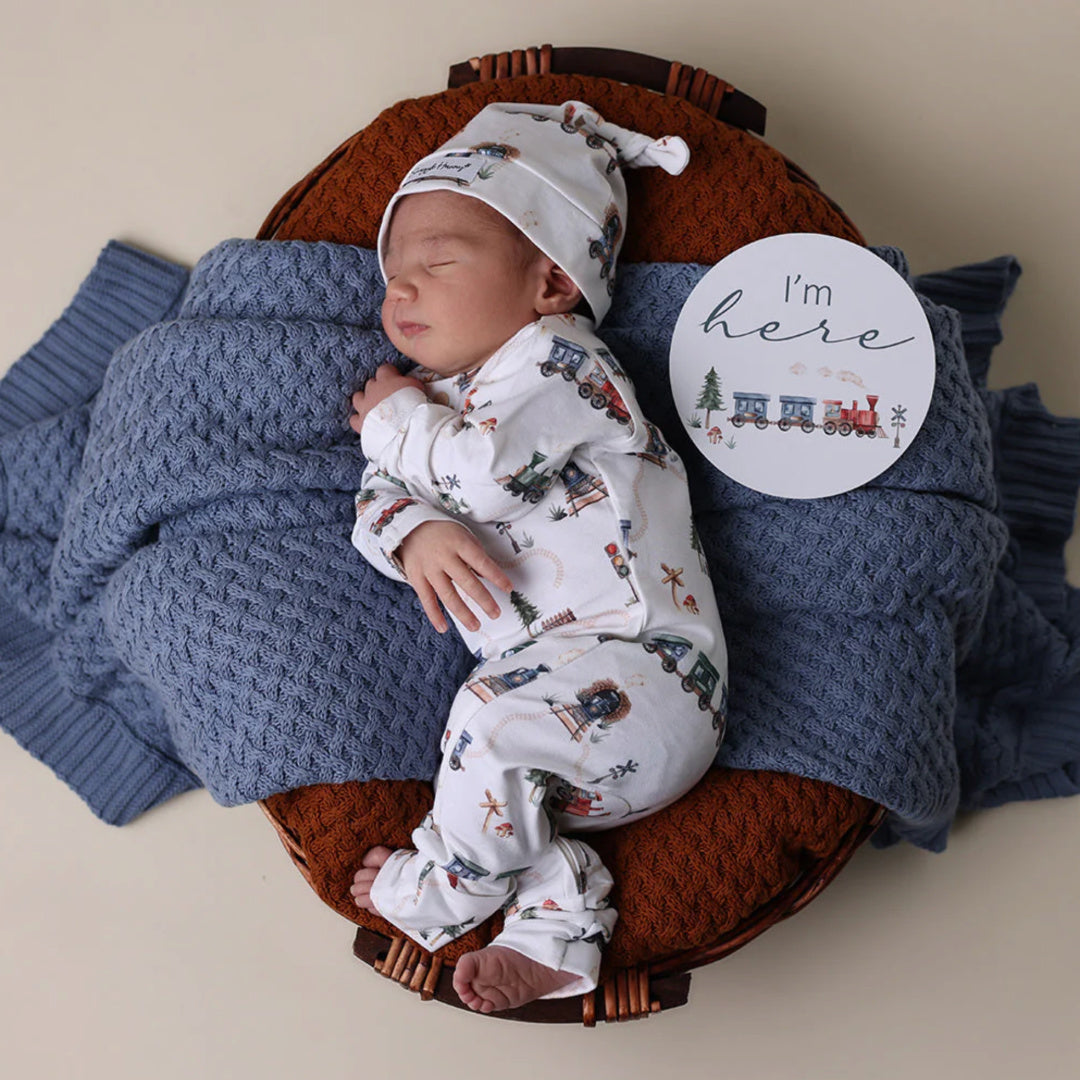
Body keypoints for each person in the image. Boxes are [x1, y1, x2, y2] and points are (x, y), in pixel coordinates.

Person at [347, 101, 727, 1013]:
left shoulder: (564, 365)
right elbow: (372, 507)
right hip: (566, 725)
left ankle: (441, 891)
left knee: (489, 727)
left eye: (438, 262)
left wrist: (394, 424)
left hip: (648, 668)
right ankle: (558, 926)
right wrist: (412, 530)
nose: (401, 291)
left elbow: (485, 475)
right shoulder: (429, 406)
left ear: (552, 282)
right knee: (498, 777)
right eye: (392, 274)